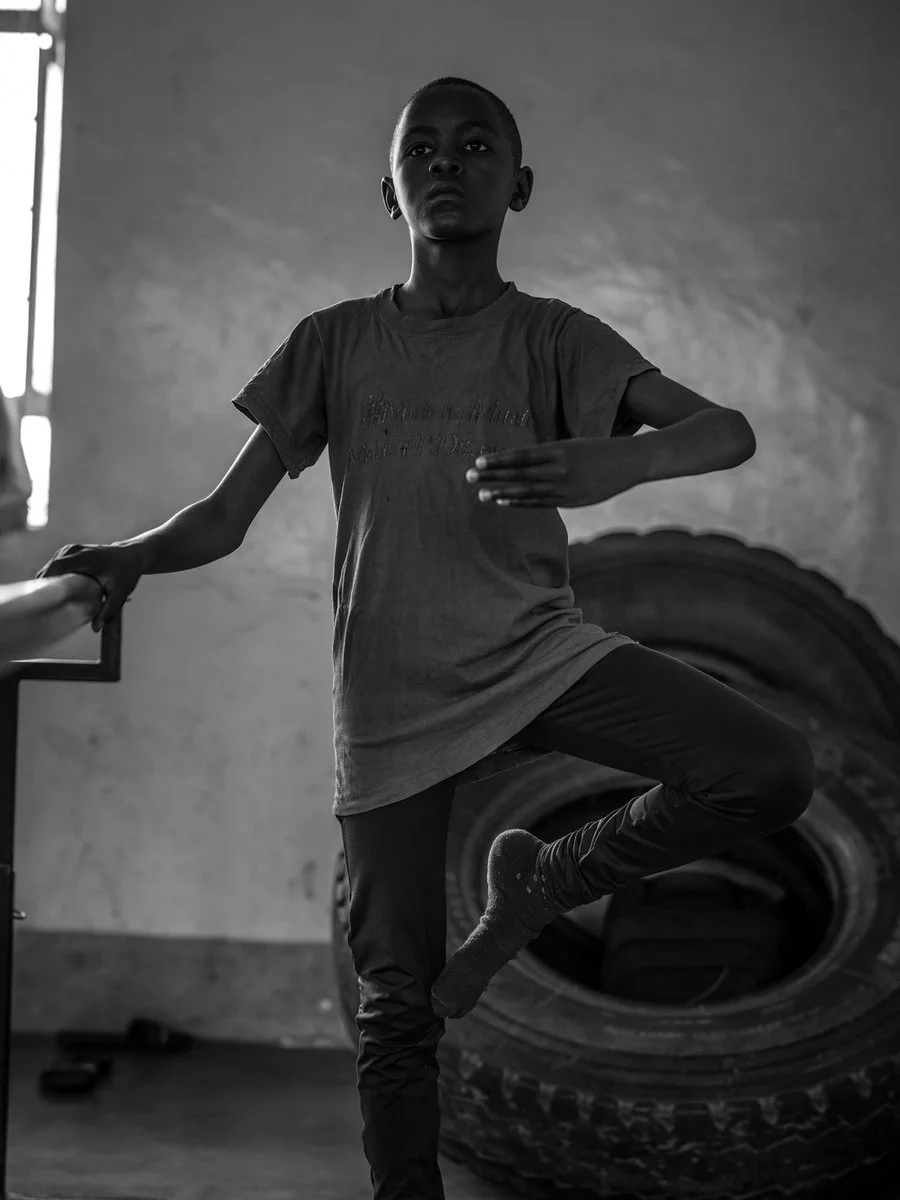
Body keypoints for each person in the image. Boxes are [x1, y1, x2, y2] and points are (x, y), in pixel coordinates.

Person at [37, 76, 817, 1200]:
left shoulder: (554, 338)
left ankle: (549, 878)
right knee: (396, 999)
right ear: (389, 188)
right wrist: (124, 558)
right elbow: (220, 518)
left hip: (537, 655)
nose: (449, 163)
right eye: (424, 149)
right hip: (393, 694)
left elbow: (726, 430)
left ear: (521, 182)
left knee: (770, 768)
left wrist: (625, 459)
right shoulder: (334, 342)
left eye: (477, 144)